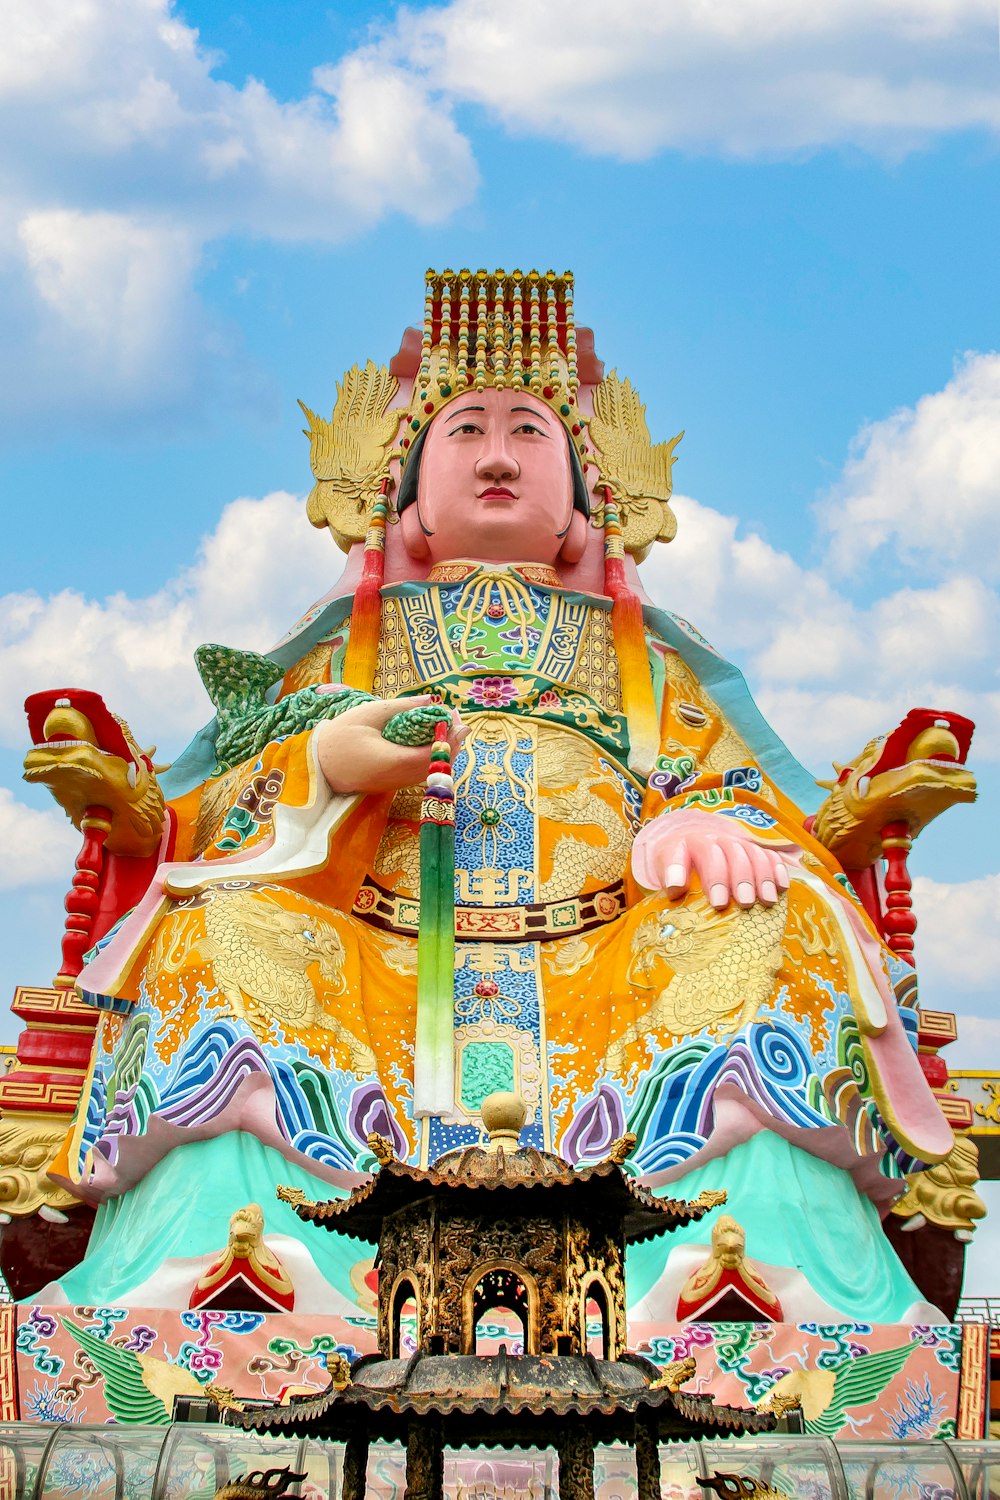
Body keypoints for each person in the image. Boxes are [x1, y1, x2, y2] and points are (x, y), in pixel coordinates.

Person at [31, 269, 953, 1323]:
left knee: (775, 933)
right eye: (465, 431)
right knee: (221, 936)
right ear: (407, 492)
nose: (501, 455)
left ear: (589, 498)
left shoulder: (648, 667)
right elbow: (225, 805)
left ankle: (714, 1288)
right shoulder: (349, 649)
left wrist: (705, 820)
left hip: (610, 953)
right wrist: (324, 763)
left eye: (530, 434)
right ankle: (259, 1289)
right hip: (374, 953)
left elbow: (738, 788)